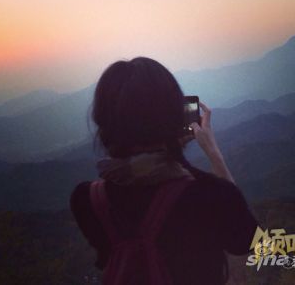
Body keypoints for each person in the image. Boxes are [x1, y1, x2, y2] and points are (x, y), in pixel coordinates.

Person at [70, 57, 257, 285]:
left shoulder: (87, 201)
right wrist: (213, 153)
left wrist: (170, 148)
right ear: (173, 116)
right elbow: (248, 241)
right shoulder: (210, 196)